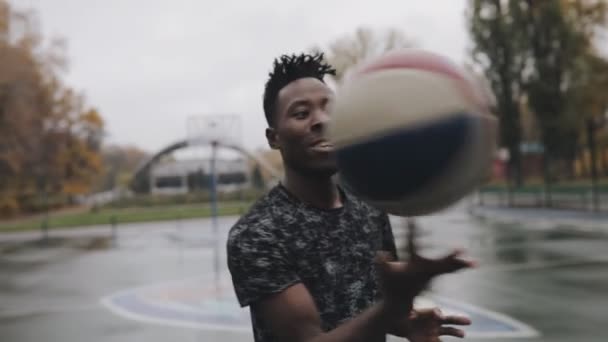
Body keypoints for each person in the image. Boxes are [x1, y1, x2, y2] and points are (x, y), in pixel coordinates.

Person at [226, 52, 475, 342]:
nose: (321, 120)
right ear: (274, 138)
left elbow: (367, 309)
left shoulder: (369, 205)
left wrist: (404, 323)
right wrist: (392, 307)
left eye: (329, 108)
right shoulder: (257, 234)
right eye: (301, 113)